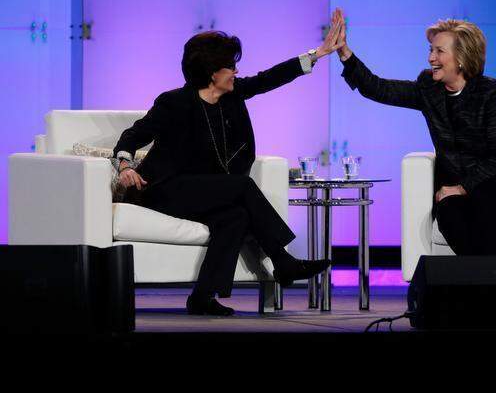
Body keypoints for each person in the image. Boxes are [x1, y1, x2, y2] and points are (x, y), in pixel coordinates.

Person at [113, 21, 344, 315]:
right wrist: (123, 165)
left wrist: (317, 54)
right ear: (212, 73)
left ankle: (202, 298)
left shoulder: (232, 95)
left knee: (235, 217)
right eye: (230, 67)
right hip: (164, 189)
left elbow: (268, 78)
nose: (236, 72)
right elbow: (133, 136)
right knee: (243, 187)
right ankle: (283, 261)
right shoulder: (174, 103)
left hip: (203, 191)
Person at [330, 8, 496, 256]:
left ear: (462, 58)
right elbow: (378, 88)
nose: (431, 57)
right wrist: (344, 53)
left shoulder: (492, 92)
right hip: (462, 186)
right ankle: (482, 283)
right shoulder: (429, 89)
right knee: (447, 211)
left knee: (483, 200)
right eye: (431, 50)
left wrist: (463, 187)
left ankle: (492, 284)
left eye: (439, 51)